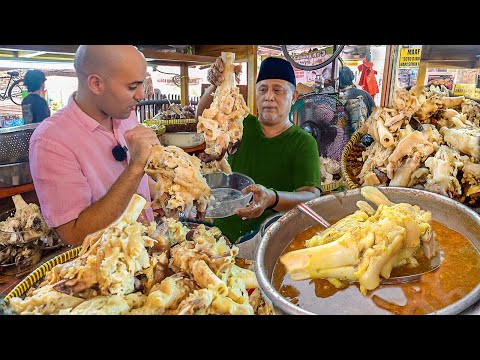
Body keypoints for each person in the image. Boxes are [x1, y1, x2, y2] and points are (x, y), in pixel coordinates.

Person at [29, 45, 160, 246]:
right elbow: (75, 235)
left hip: (149, 250)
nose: (141, 95)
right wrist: (136, 167)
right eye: (132, 87)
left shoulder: (125, 115)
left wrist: (165, 191)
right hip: (107, 269)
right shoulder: (51, 141)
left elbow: (139, 185)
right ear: (96, 84)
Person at [196, 56, 322, 245]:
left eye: (278, 90)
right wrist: (217, 84)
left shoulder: (303, 142)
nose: (269, 97)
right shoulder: (241, 125)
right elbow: (204, 116)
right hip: (221, 233)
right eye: (263, 89)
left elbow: (311, 195)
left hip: (268, 238)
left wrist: (272, 198)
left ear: (294, 96)